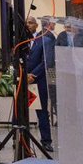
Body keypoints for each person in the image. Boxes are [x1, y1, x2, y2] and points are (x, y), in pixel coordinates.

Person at [25, 17, 54, 152]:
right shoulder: (21, 42)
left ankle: (46, 141)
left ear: (37, 25)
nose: (27, 25)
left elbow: (46, 61)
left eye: (30, 22)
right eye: (26, 23)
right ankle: (19, 139)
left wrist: (33, 75)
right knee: (19, 111)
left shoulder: (45, 41)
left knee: (41, 112)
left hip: (37, 80)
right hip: (22, 81)